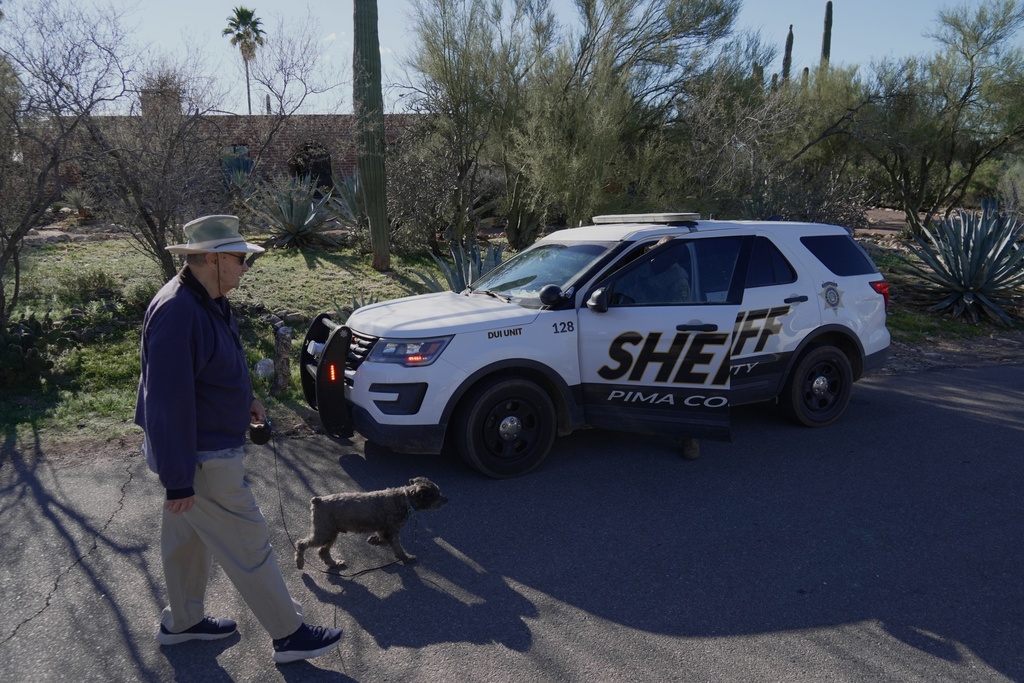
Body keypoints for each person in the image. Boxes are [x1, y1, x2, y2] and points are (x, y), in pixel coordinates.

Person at [134, 215, 342, 664]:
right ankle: (290, 636)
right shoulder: (178, 311)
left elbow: (216, 363)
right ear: (212, 258)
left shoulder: (208, 297)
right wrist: (178, 481)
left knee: (186, 544)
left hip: (202, 452)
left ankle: (183, 622)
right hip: (201, 459)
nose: (247, 267)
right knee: (250, 544)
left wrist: (244, 398)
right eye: (242, 259)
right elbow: (165, 401)